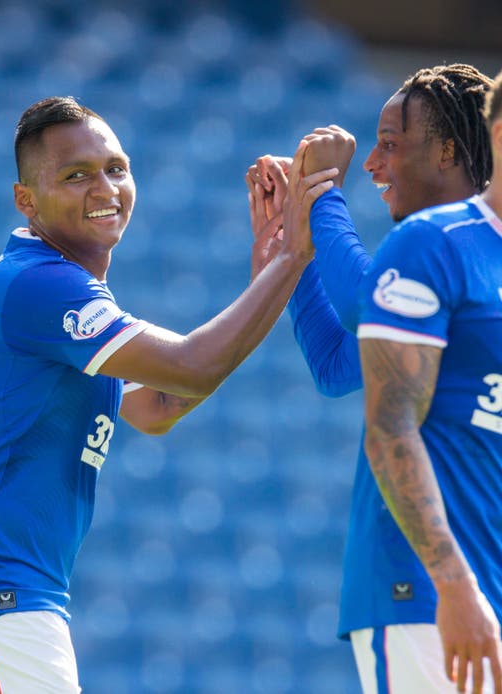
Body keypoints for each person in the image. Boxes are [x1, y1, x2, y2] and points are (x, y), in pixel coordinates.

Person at [0, 96, 337, 693]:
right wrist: (293, 254)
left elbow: (158, 407)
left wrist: (270, 273)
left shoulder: (59, 288)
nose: (105, 186)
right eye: (75, 175)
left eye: (116, 168)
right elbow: (193, 365)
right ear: (26, 200)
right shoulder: (43, 286)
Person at [247, 64, 499, 692]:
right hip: (423, 590)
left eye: (390, 143)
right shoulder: (432, 245)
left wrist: (311, 216)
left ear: (447, 150)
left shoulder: (472, 258)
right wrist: (305, 224)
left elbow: (342, 357)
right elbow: (353, 331)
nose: (373, 162)